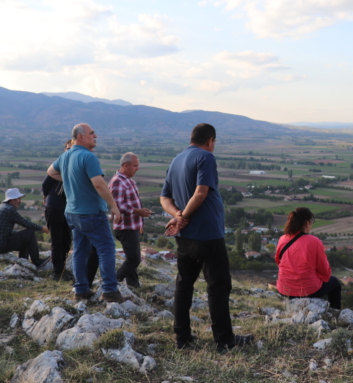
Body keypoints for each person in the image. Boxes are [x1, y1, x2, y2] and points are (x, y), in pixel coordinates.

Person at [161, 123, 254, 352]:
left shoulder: (176, 160)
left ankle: (182, 339)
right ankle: (224, 341)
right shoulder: (206, 157)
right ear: (210, 140)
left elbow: (164, 198)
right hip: (208, 234)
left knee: (184, 285)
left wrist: (177, 216)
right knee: (218, 287)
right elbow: (201, 193)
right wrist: (184, 216)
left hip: (185, 237)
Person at [47, 123, 124, 303]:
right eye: (92, 133)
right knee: (106, 249)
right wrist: (113, 205)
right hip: (91, 213)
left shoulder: (65, 156)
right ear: (80, 137)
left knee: (80, 251)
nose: (95, 136)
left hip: (72, 212)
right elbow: (99, 184)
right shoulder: (88, 157)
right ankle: (110, 290)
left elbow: (50, 171)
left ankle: (80, 289)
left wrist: (70, 180)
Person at [275, 207, 341, 309]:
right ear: (306, 223)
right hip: (308, 290)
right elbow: (324, 270)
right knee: (335, 283)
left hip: (284, 290)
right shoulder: (314, 241)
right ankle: (335, 313)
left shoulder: (282, 239)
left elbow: (278, 261)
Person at [109, 152, 152, 288]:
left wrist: (139, 222)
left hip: (131, 226)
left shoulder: (128, 180)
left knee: (132, 257)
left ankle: (133, 285)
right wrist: (137, 211)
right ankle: (114, 281)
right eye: (135, 166)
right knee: (134, 259)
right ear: (125, 165)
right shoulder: (117, 181)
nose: (137, 168)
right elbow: (117, 205)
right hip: (124, 227)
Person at [0, 188, 50, 268]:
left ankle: (23, 262)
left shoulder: (0, 207)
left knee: (24, 237)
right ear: (12, 200)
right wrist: (42, 228)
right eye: (18, 199)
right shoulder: (9, 209)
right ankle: (37, 262)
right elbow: (25, 223)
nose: (20, 201)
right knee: (30, 233)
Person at [42, 140, 75, 281]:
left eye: (71, 149)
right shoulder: (58, 166)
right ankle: (57, 272)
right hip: (55, 207)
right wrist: (47, 198)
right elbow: (46, 183)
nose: (68, 151)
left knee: (66, 240)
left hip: (68, 208)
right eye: (67, 149)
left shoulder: (75, 167)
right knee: (57, 240)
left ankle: (61, 270)